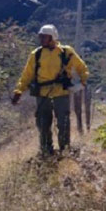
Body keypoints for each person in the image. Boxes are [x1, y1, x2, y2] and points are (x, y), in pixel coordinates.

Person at [12, 24, 89, 157]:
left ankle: (64, 150)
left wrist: (83, 81)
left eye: (44, 37)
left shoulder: (66, 52)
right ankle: (46, 151)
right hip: (42, 94)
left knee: (63, 123)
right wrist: (19, 91)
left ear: (52, 37)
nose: (41, 40)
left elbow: (81, 67)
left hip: (61, 93)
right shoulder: (36, 54)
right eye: (40, 37)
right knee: (43, 124)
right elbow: (27, 75)